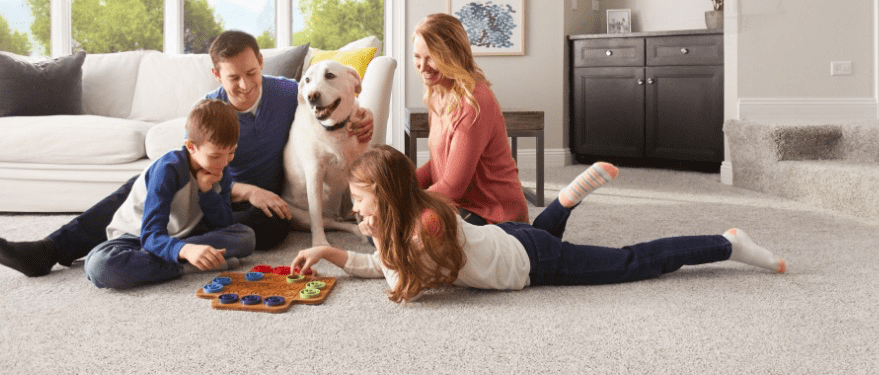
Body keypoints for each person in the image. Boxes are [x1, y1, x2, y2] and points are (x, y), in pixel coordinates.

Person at [0, 30, 374, 277]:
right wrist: (245, 189)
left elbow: (327, 107)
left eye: (251, 72)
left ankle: (165, 248)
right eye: (233, 78)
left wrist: (362, 114)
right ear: (216, 75)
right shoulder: (209, 112)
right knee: (142, 184)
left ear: (261, 62)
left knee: (270, 227)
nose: (245, 85)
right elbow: (193, 171)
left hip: (262, 208)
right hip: (215, 192)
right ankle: (51, 248)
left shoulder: (288, 91)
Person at [291, 145, 787, 303]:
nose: (355, 212)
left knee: (631, 262)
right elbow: (380, 265)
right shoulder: (410, 222)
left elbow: (400, 289)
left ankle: (726, 243)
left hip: (531, 260)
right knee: (532, 235)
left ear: (389, 199)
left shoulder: (424, 229)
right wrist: (328, 254)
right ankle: (564, 203)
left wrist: (374, 235)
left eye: (360, 203)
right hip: (506, 237)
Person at [85, 99, 255, 289]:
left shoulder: (219, 169)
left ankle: (187, 257)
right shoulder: (167, 170)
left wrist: (206, 192)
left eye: (231, 152)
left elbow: (223, 224)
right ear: (191, 146)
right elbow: (150, 236)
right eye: (215, 155)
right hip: (137, 238)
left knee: (245, 236)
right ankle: (187, 267)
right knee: (100, 266)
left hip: (183, 234)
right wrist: (185, 250)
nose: (224, 163)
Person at [412, 13, 529, 225]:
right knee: (380, 229)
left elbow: (451, 188)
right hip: (457, 206)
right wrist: (401, 184)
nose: (422, 66)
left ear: (454, 55)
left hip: (493, 216)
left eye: (432, 58)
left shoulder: (474, 102)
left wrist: (400, 200)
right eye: (417, 57)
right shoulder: (437, 94)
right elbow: (440, 164)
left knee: (395, 227)